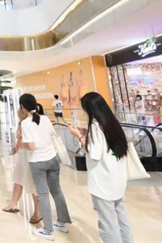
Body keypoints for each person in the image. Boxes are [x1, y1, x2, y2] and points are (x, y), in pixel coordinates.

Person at [70, 92, 133, 243]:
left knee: (107, 223)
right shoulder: (112, 124)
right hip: (117, 180)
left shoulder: (95, 127)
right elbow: (104, 144)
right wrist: (88, 134)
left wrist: (79, 136)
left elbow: (94, 154)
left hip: (103, 183)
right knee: (121, 218)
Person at [19, 93, 71, 240]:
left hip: (38, 162)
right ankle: (62, 222)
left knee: (43, 195)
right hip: (53, 158)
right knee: (57, 191)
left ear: (22, 107)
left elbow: (31, 146)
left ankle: (48, 230)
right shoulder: (45, 119)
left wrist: (21, 144)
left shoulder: (25, 123)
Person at [3, 105, 42, 224]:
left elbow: (23, 140)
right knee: (18, 179)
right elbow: (20, 140)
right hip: (24, 155)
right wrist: (16, 148)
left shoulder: (27, 123)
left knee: (32, 183)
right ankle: (13, 203)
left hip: (30, 155)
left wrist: (18, 145)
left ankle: (38, 211)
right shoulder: (25, 122)